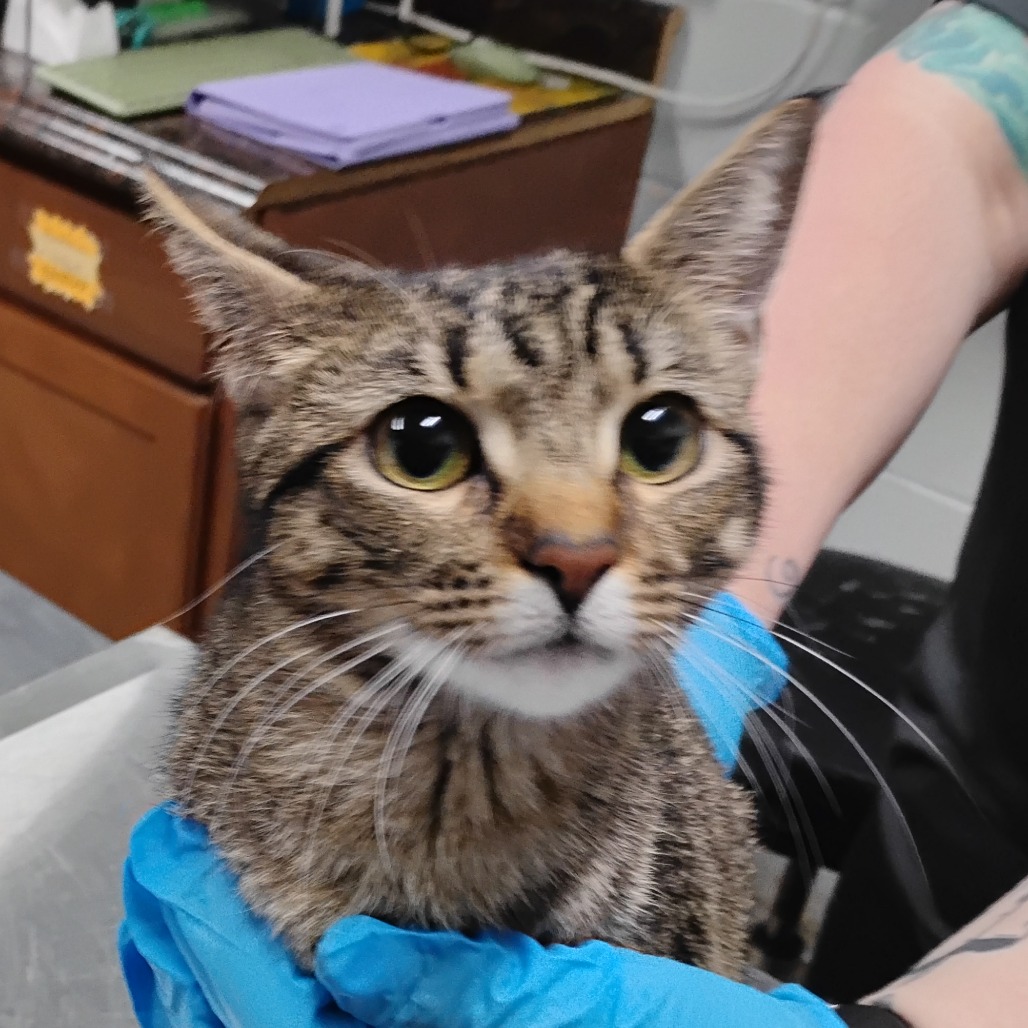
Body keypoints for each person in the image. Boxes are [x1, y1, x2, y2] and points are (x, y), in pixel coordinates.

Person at [119, 2, 1028, 1025]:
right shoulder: (241, 751)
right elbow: (975, 123)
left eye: (654, 439)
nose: (575, 545)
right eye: (425, 447)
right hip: (968, 793)